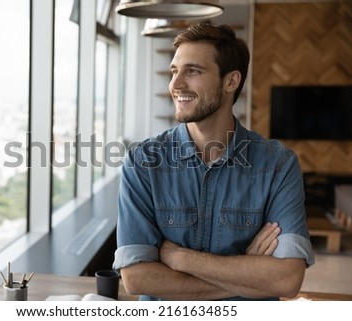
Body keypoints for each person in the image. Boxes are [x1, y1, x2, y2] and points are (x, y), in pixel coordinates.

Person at [112, 22, 314, 301]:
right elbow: (136, 278)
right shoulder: (142, 162)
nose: (176, 84)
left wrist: (180, 258)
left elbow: (287, 279)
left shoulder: (278, 164)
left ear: (230, 81)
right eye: (174, 71)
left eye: (192, 71)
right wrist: (249, 274)